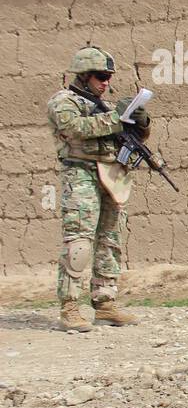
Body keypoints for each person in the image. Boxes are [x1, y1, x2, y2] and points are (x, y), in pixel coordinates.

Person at [47, 46, 145, 332]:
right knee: (79, 242)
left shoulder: (105, 106)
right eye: (101, 76)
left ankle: (105, 304)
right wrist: (117, 119)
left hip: (110, 173)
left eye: (108, 77)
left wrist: (140, 124)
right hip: (80, 173)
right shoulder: (63, 101)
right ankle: (69, 308)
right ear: (84, 75)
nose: (106, 82)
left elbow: (122, 134)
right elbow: (75, 127)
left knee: (110, 240)